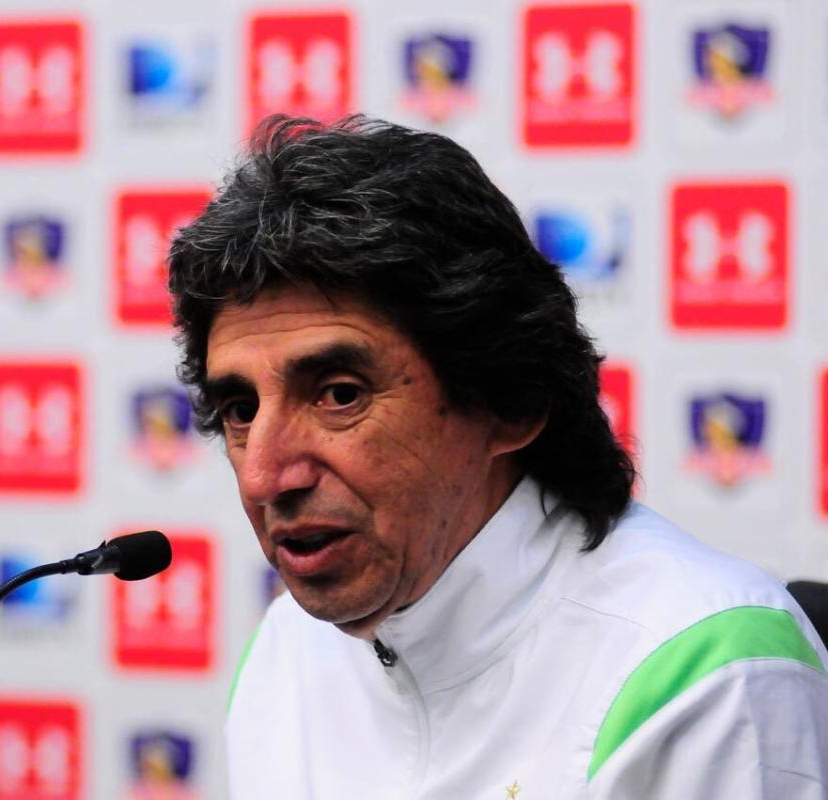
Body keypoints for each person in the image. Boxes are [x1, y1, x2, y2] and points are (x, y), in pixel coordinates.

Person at [166, 115, 828, 799]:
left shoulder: (705, 675)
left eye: (339, 395)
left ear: (509, 401)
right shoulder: (286, 649)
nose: (263, 477)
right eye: (240, 409)